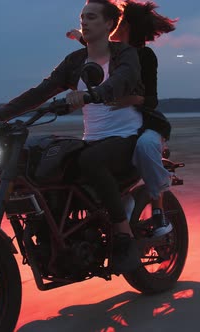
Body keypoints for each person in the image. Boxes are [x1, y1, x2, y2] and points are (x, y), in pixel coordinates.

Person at [0, 0, 143, 273]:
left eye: (92, 17)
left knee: (90, 161)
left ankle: (123, 235)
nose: (84, 21)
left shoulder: (124, 54)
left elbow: (123, 80)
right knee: (44, 162)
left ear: (109, 24)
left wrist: (92, 94)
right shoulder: (75, 62)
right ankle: (56, 234)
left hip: (126, 137)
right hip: (93, 138)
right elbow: (42, 91)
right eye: (82, 16)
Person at [67, 0, 177, 238]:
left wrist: (131, 100)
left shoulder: (145, 56)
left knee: (146, 146)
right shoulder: (111, 51)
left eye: (120, 20)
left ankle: (158, 211)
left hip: (146, 121)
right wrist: (79, 36)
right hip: (114, 126)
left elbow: (152, 99)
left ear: (126, 25)